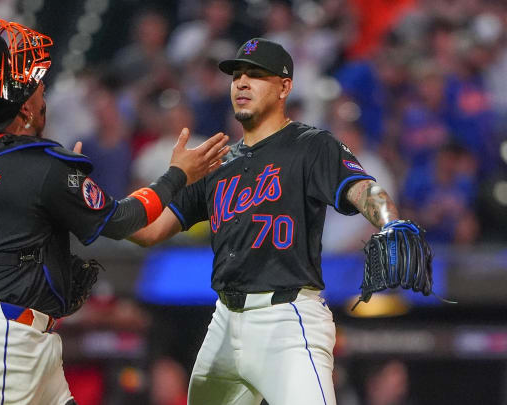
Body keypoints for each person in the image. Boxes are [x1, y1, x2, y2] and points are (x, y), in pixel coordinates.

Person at [0, 18, 228, 405]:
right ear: (24, 107)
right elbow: (124, 220)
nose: (45, 98)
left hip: (4, 336)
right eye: (40, 88)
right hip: (4, 343)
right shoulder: (43, 166)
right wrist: (178, 175)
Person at [129, 38, 428, 405]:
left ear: (284, 86)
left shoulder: (311, 145)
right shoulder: (216, 162)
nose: (241, 82)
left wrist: (389, 222)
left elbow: (364, 189)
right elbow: (148, 230)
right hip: (223, 321)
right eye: (237, 74)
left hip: (287, 319)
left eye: (255, 75)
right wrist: (86, 205)